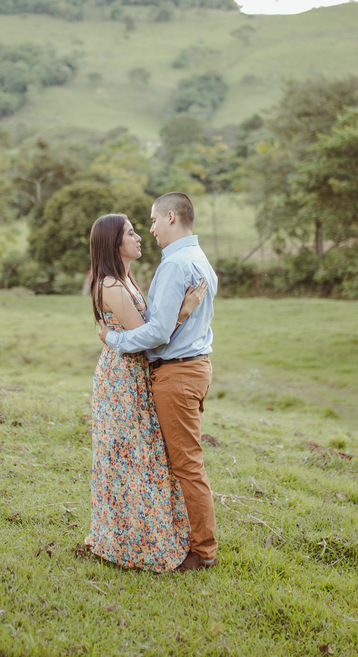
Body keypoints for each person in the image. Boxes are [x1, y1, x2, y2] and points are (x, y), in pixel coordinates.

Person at [99, 192, 219, 573]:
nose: (149, 230)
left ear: (170, 217)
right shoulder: (199, 259)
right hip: (192, 367)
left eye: (151, 222)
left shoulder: (174, 266)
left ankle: (202, 551)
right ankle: (177, 536)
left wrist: (112, 339)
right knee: (177, 462)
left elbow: (156, 333)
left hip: (179, 371)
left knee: (185, 464)